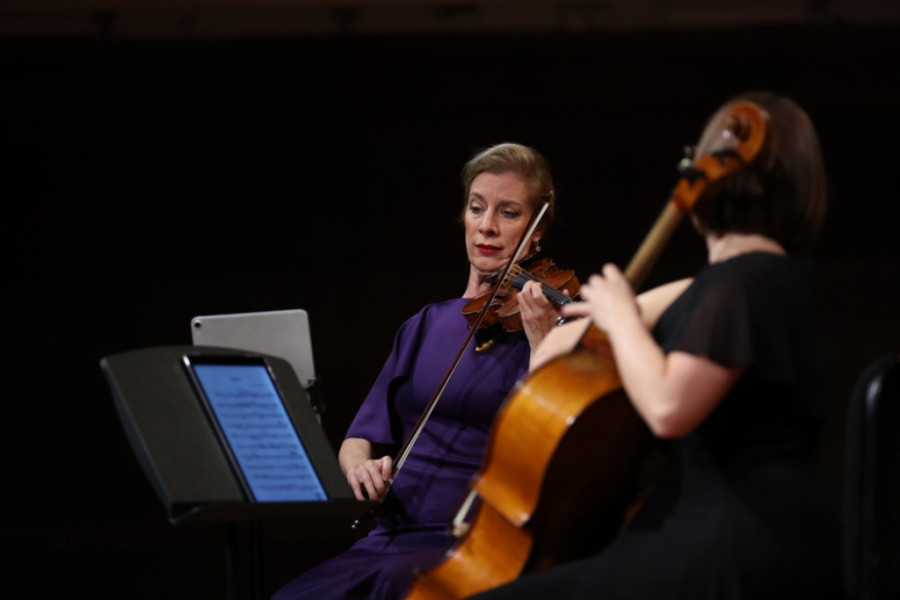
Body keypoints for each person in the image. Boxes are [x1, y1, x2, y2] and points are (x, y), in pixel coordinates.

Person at [473, 91, 843, 599]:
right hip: (739, 531)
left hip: (732, 541)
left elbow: (669, 407)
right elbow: (559, 357)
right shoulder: (732, 283)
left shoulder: (746, 281)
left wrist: (623, 319)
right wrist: (602, 318)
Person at [271, 142, 567, 600]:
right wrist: (361, 470)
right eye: (476, 208)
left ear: (537, 231)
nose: (487, 226)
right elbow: (357, 441)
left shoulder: (549, 332)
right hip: (392, 535)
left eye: (508, 213)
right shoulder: (426, 325)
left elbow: (551, 446)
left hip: (479, 540)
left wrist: (542, 342)